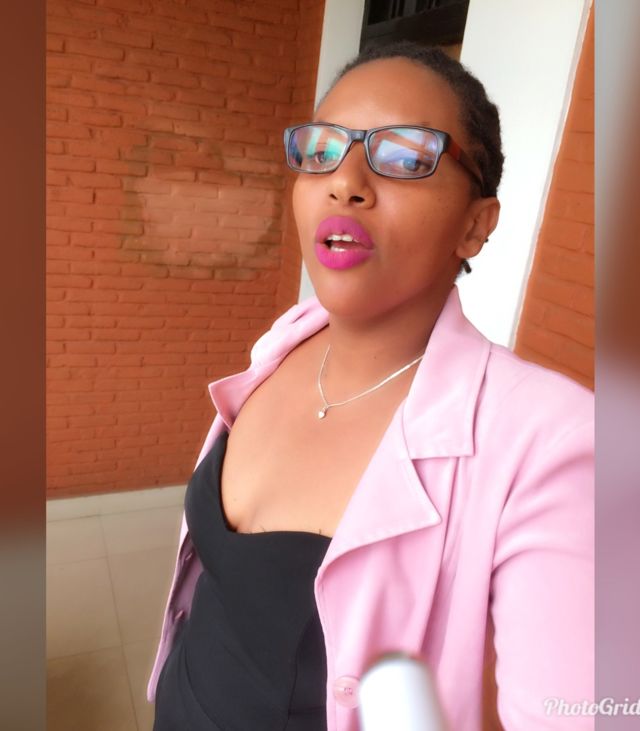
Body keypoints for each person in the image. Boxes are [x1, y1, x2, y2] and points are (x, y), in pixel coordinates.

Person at [148, 41, 594, 730]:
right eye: (322, 150)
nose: (345, 181)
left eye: (406, 157)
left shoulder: (552, 444)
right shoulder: (290, 337)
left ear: (475, 225)